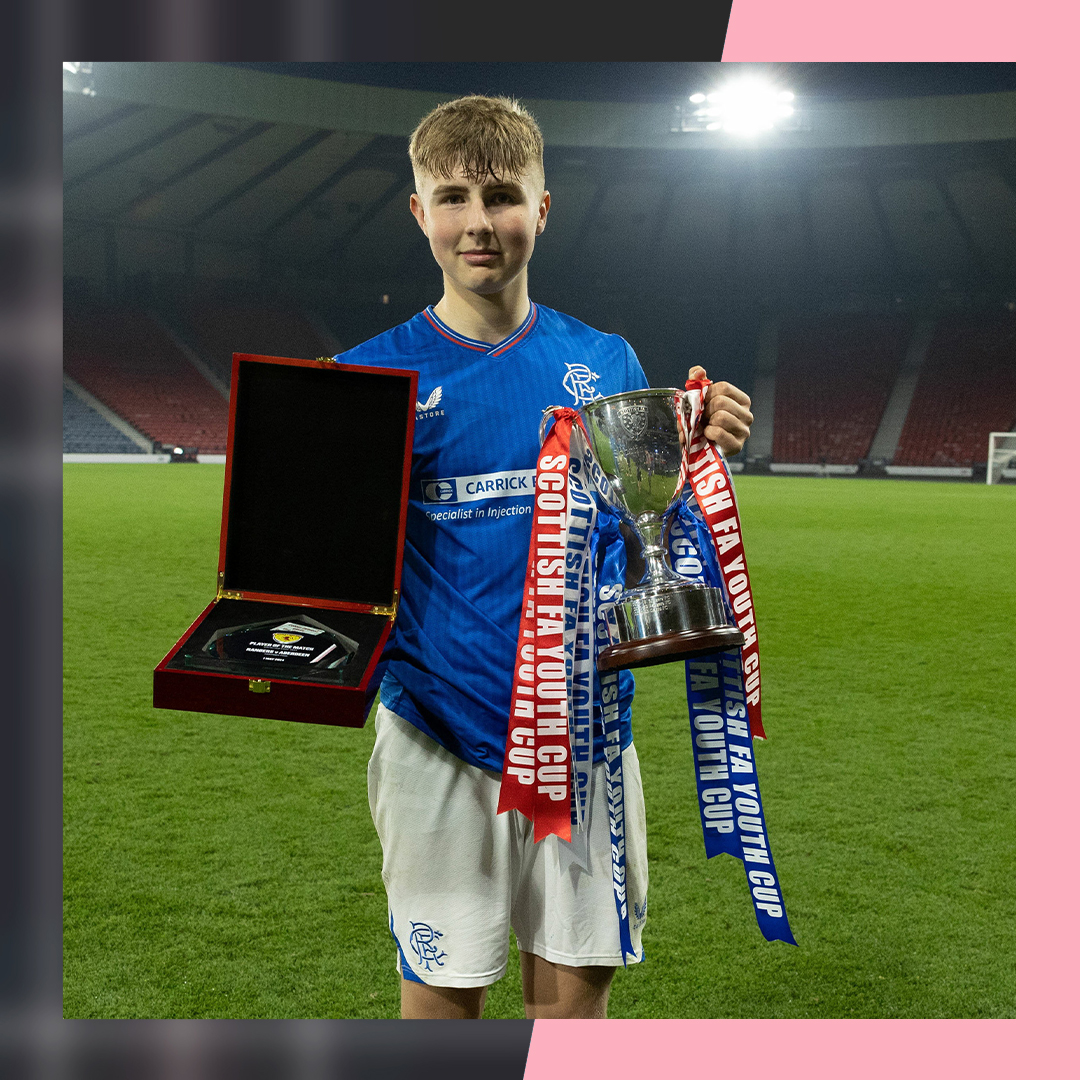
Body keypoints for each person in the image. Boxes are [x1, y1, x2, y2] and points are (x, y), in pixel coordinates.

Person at [335, 95, 753, 1019]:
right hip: (434, 735)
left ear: (543, 207)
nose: (478, 223)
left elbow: (643, 538)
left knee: (572, 1005)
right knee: (441, 1002)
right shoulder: (368, 379)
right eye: (451, 198)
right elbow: (324, 562)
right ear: (418, 213)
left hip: (589, 737)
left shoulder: (605, 362)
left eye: (500, 196)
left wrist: (696, 455)